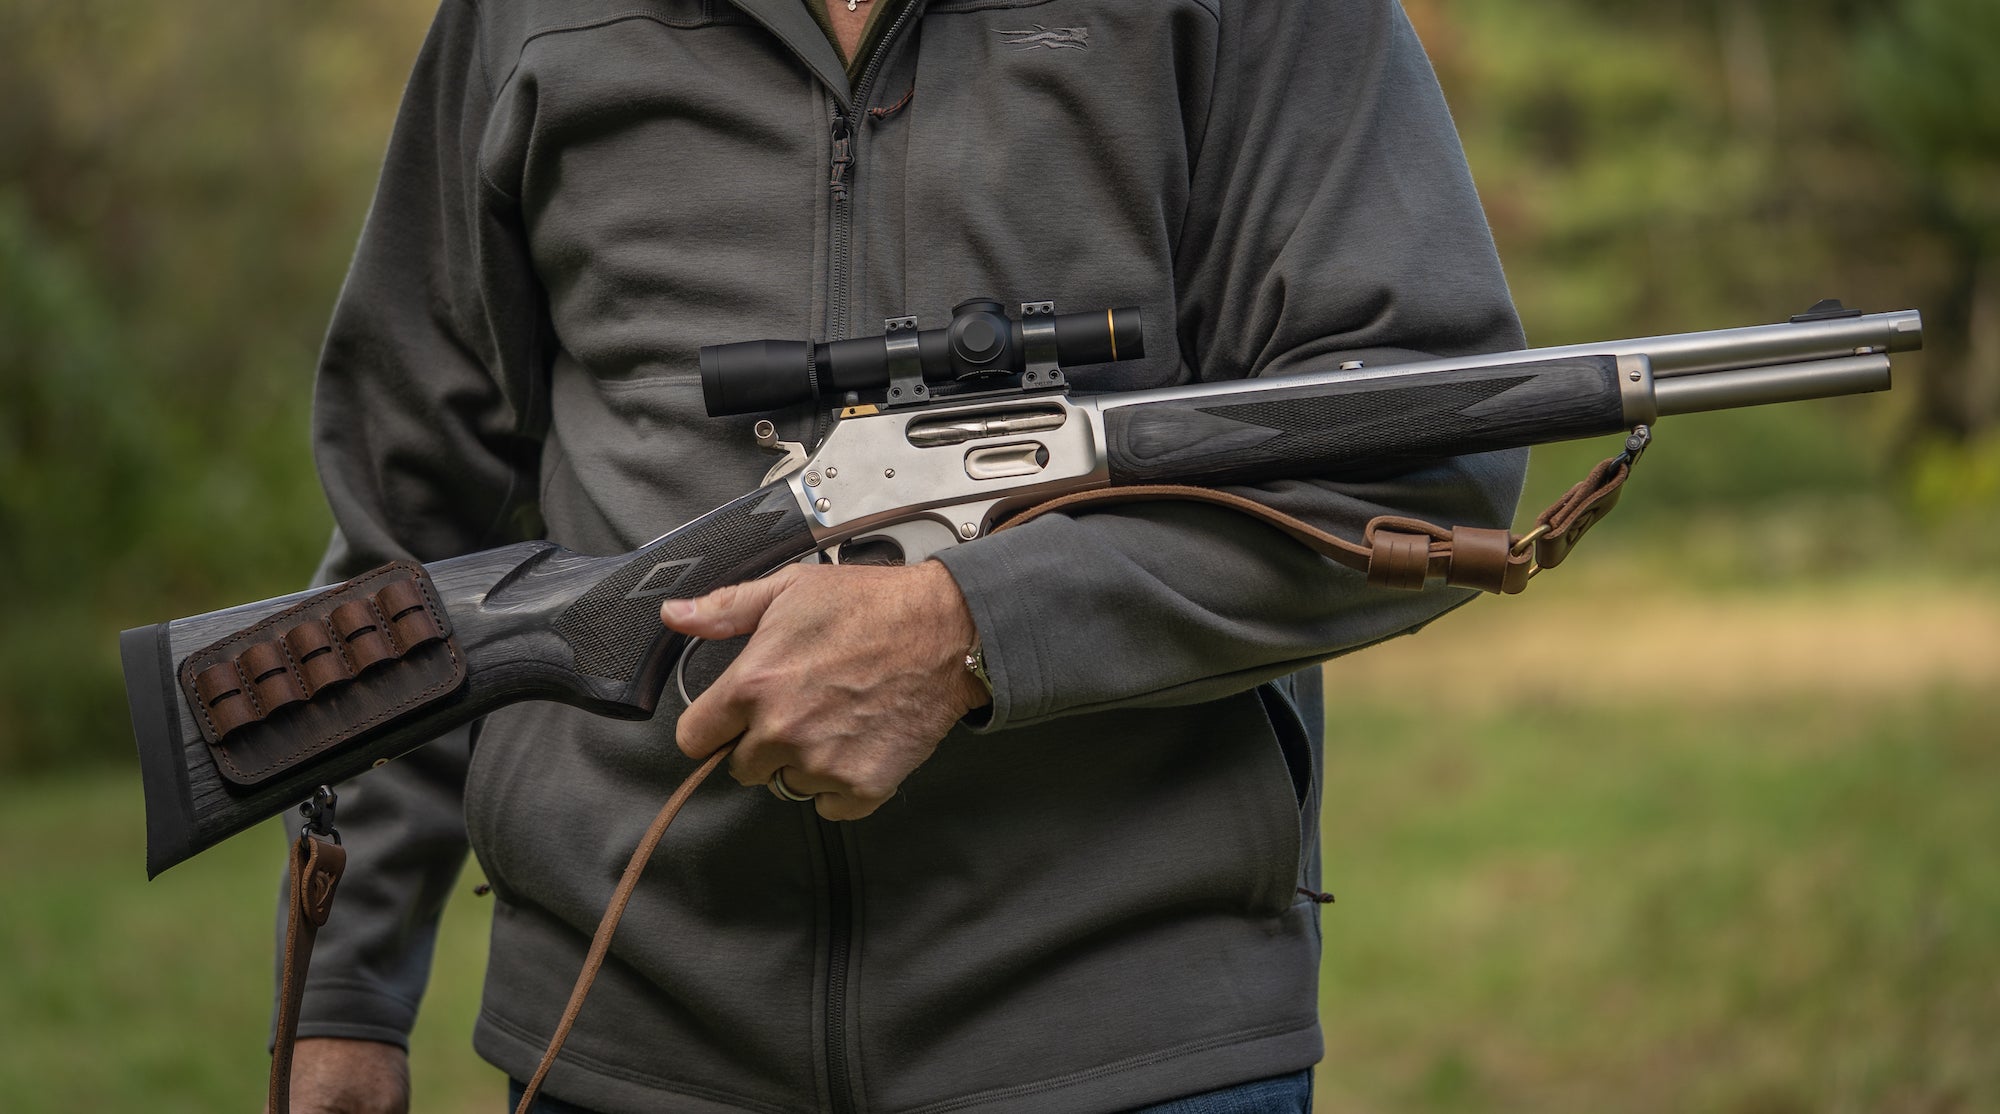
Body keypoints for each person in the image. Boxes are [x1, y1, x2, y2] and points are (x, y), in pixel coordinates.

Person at [278, 0, 1528, 1110]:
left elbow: (1415, 442)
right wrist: (344, 987)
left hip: (1127, 1032)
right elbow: (413, 518)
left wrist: (972, 628)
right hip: (616, 1041)